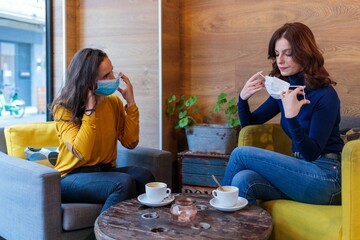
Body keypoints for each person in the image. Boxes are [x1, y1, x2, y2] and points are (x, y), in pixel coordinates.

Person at [222, 22, 344, 205]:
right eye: (277, 54)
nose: (280, 60)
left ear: (305, 54)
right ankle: (242, 232)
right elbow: (250, 124)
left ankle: (215, 212)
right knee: (243, 180)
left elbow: (312, 153)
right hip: (300, 173)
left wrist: (292, 117)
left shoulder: (325, 95)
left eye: (288, 54)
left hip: (327, 177)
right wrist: (242, 99)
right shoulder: (284, 91)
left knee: (241, 154)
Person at [50, 48, 154, 212]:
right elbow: (81, 151)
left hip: (104, 172)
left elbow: (130, 142)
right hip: (70, 178)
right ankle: (102, 236)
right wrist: (90, 110)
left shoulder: (113, 102)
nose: (113, 79)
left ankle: (135, 232)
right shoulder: (63, 109)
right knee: (122, 183)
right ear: (88, 82)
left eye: (112, 72)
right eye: (106, 76)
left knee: (144, 176)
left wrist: (131, 104)